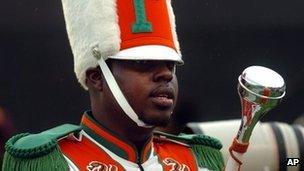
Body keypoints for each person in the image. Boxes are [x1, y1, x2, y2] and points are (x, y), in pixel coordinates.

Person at [2, 0, 224, 170]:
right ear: (96, 77)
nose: (165, 74)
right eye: (143, 63)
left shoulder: (197, 159)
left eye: (170, 65)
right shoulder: (53, 162)